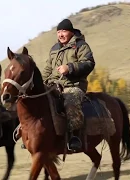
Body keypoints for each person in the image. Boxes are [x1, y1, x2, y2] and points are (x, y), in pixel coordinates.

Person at [42, 19, 95, 151]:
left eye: (63, 31)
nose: (60, 34)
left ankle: (75, 137)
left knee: (70, 101)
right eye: (58, 32)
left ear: (71, 32)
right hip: (54, 85)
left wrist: (69, 67)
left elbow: (89, 63)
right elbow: (48, 69)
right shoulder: (54, 49)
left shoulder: (81, 45)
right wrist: (41, 83)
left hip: (74, 85)